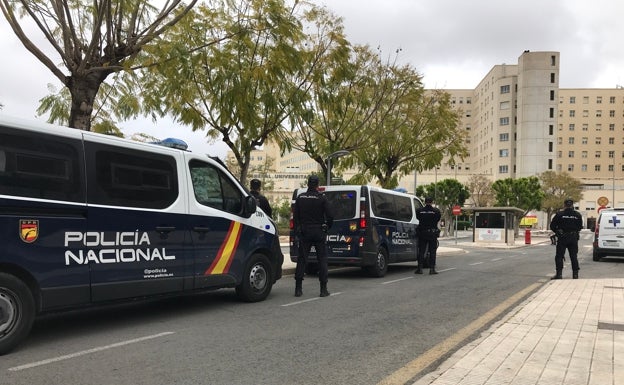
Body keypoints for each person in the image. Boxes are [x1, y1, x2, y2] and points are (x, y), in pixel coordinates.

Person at [293, 175, 334, 297]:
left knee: (302, 259)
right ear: (317, 185)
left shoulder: (301, 198)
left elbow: (295, 217)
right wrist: (327, 227)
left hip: (305, 231)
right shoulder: (321, 198)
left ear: (308, 184)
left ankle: (298, 289)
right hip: (318, 231)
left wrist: (298, 231)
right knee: (322, 260)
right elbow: (330, 215)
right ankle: (323, 289)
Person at [550, 198, 583, 279]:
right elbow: (580, 227)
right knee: (574, 256)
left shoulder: (559, 214)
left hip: (562, 237)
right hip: (573, 238)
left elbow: (552, 226)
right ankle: (575, 275)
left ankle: (559, 274)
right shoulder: (577, 215)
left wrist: (558, 231)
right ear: (572, 205)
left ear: (564, 205)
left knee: (559, 256)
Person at [415, 197, 442, 275]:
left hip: (422, 233)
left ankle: (419, 268)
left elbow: (418, 218)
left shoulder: (419, 211)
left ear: (425, 202)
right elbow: (437, 219)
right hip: (432, 233)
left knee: (421, 251)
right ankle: (432, 269)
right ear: (432, 202)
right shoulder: (436, 211)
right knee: (432, 252)